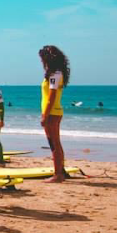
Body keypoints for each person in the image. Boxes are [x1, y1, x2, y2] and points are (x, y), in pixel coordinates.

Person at [39, 45, 70, 183]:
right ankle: (61, 170)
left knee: (54, 144)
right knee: (55, 143)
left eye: (43, 58)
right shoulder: (55, 73)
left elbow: (52, 96)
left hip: (52, 113)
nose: (41, 61)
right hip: (53, 112)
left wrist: (45, 115)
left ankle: (58, 175)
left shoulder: (55, 74)